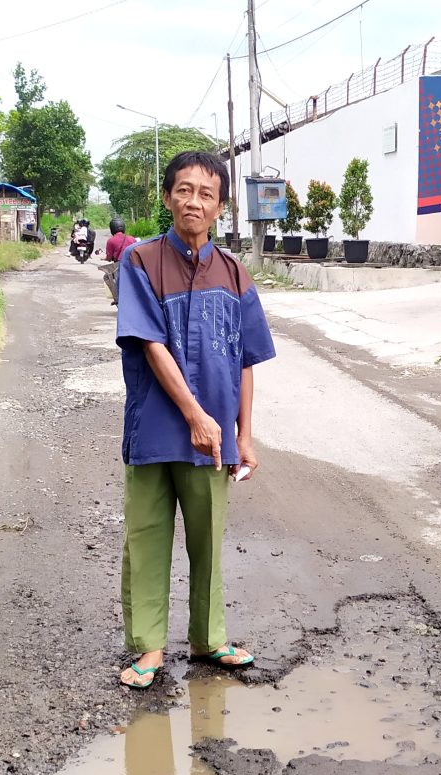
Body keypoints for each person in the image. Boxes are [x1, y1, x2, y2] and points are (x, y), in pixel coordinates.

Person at [114, 150, 276, 689]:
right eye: (184, 190)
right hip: (155, 432)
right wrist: (196, 415)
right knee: (147, 539)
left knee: (208, 542)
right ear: (167, 197)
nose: (194, 201)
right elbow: (150, 343)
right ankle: (149, 648)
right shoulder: (139, 262)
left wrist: (243, 435)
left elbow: (248, 359)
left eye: (206, 194)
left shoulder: (234, 273)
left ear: (221, 207)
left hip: (212, 444)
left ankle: (208, 638)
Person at [101, 216, 137, 305]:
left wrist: (103, 258)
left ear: (112, 229)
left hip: (119, 265)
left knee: (106, 277)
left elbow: (109, 258)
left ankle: (117, 298)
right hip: (133, 265)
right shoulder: (132, 239)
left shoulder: (111, 241)